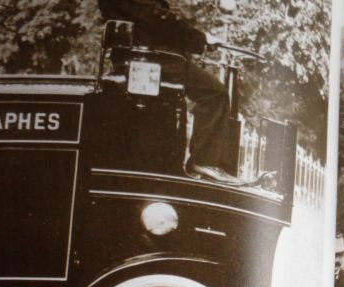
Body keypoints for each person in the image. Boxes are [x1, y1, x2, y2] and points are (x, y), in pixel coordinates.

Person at [97, 0, 242, 184]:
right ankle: (204, 161)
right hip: (151, 57)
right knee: (215, 93)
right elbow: (157, 19)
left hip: (138, 56)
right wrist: (201, 38)